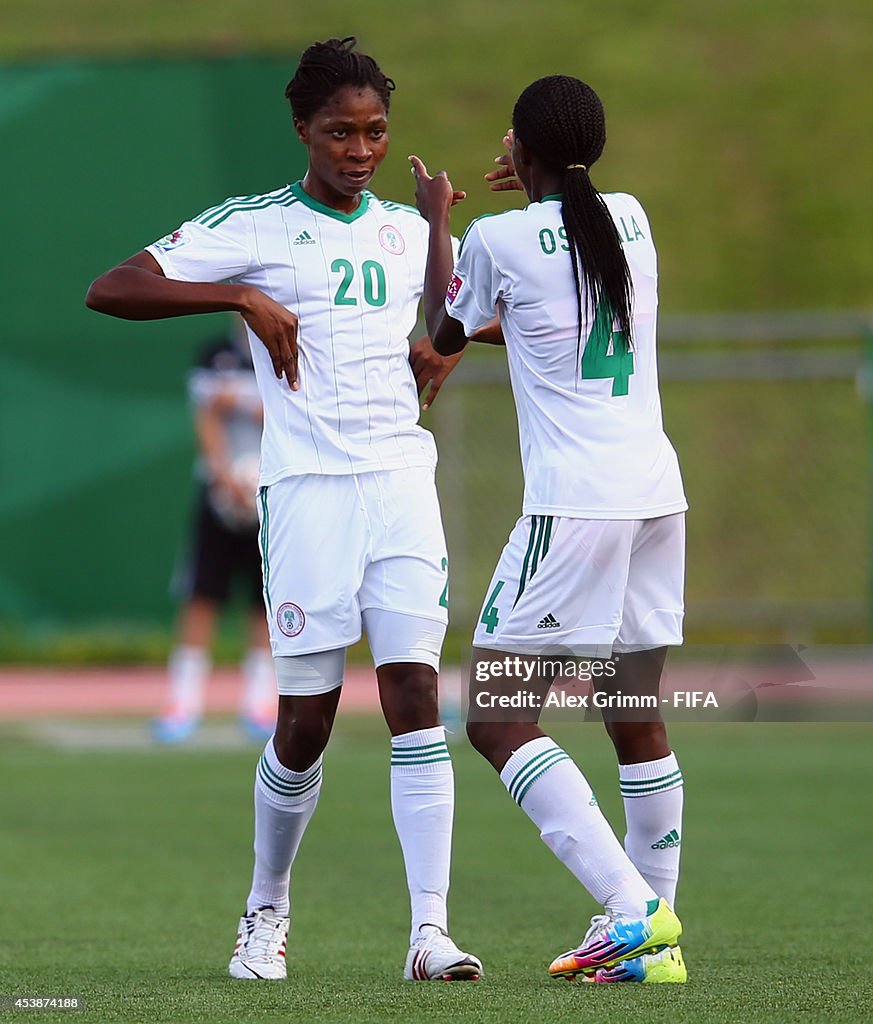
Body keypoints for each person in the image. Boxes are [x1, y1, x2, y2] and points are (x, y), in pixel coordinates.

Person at [85, 37, 481, 983]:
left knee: (415, 695)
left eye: (375, 131)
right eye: (340, 132)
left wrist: (448, 345)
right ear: (302, 129)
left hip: (398, 484)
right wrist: (239, 295)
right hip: (306, 496)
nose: (359, 148)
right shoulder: (255, 226)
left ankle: (429, 932)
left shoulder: (398, 229)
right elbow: (114, 287)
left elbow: (469, 305)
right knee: (303, 719)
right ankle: (265, 910)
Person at [412, 74, 688, 983]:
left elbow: (440, 329)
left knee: (493, 715)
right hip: (654, 493)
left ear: (519, 152)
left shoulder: (493, 236)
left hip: (576, 503)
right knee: (633, 714)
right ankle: (654, 949)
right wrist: (541, 184)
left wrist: (439, 218)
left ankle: (632, 911)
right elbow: (552, 321)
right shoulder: (632, 219)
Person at [154, 316, 276, 744]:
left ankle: (260, 704)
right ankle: (182, 703)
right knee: (201, 595)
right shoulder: (215, 354)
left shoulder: (287, 349)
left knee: (266, 601)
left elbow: (293, 413)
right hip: (220, 495)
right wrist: (224, 476)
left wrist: (242, 404)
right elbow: (205, 415)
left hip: (273, 494)